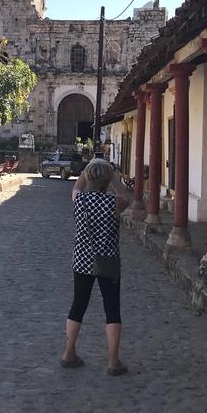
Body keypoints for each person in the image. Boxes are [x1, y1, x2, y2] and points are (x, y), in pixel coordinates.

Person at [61, 158, 129, 376]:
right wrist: (112, 179)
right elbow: (127, 198)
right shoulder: (114, 203)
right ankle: (113, 361)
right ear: (107, 180)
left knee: (78, 305)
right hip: (108, 261)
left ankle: (69, 353)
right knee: (112, 308)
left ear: (88, 178)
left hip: (82, 261)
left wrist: (86, 171)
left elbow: (76, 187)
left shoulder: (80, 200)